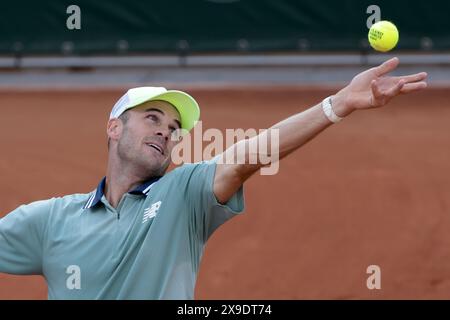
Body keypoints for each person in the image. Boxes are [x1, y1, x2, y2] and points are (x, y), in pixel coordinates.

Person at [0, 57, 427, 299]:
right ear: (114, 128)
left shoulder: (183, 195)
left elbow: (248, 156)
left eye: (172, 128)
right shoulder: (51, 220)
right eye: (152, 118)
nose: (166, 131)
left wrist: (336, 105)